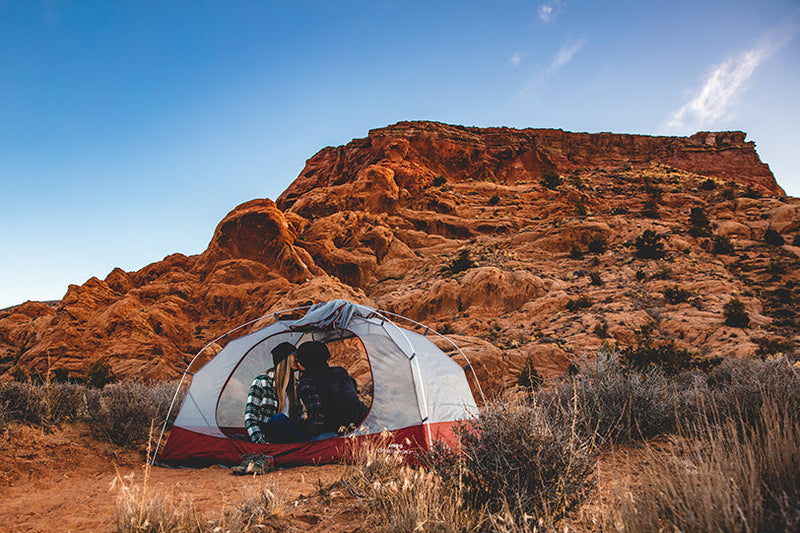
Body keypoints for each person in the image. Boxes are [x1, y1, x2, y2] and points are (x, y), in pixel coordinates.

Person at [293, 340, 369, 439]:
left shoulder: (308, 382)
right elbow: (353, 398)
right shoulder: (340, 372)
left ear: (305, 362)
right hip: (360, 425)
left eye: (299, 360)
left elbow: (318, 418)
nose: (297, 363)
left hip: (331, 434)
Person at [244, 342, 306, 444]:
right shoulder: (262, 382)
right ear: (284, 359)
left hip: (288, 437)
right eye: (295, 356)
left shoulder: (295, 385)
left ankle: (306, 446)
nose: (297, 359)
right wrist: (262, 442)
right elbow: (250, 418)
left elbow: (299, 419)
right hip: (268, 437)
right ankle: (306, 447)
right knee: (279, 419)